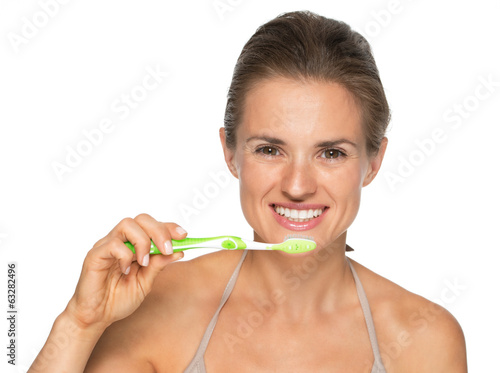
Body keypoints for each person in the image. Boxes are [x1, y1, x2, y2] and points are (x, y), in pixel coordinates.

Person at [29, 10, 467, 372]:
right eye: (270, 149)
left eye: (331, 153)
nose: (297, 186)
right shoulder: (155, 303)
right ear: (230, 152)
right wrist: (82, 320)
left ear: (373, 162)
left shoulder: (425, 339)